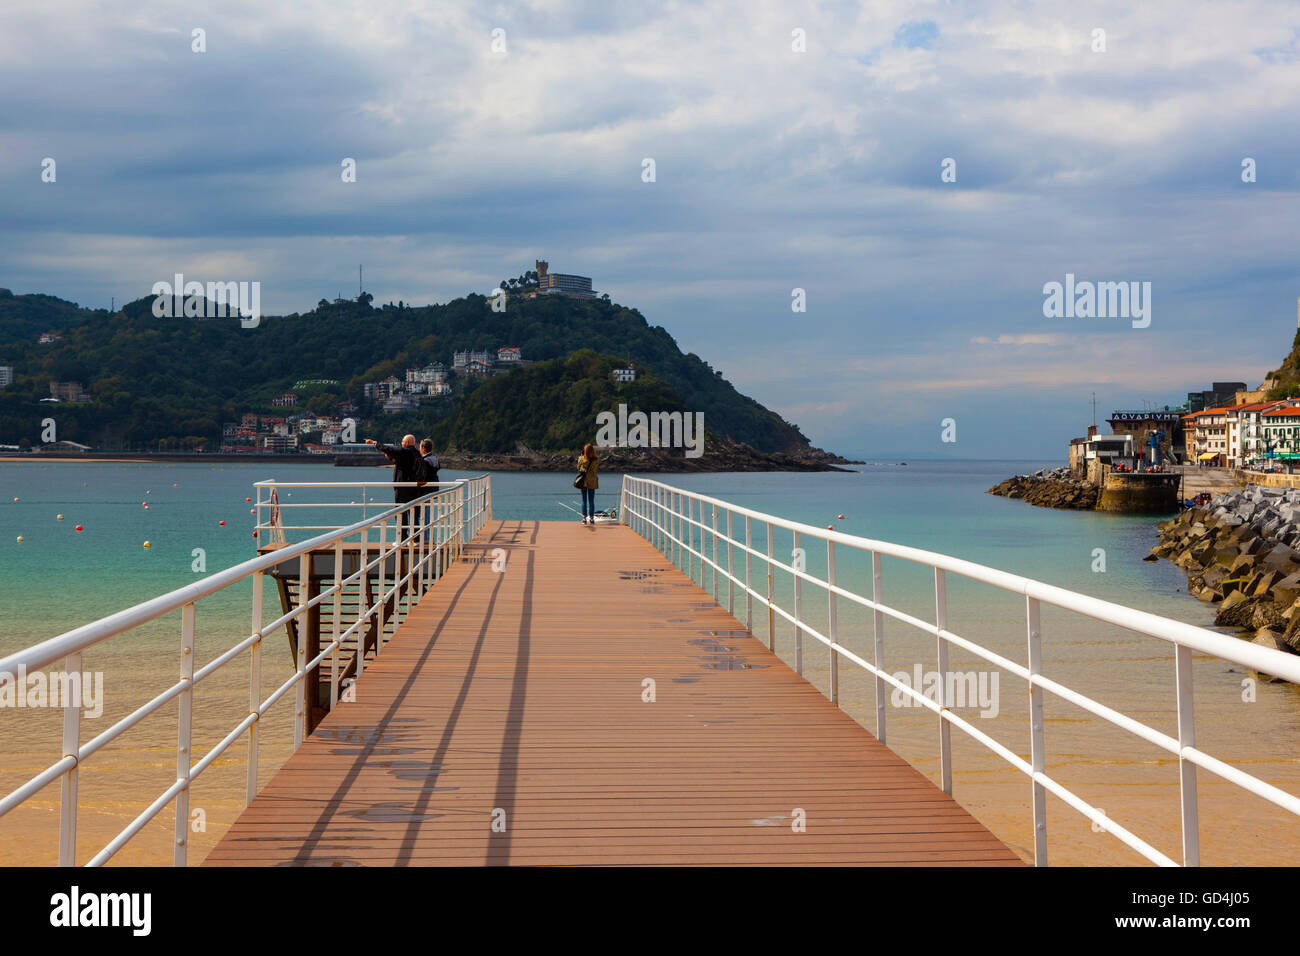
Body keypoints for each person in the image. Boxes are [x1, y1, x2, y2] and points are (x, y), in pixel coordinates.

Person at [364, 434, 423, 544]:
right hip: (415, 487)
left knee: (401, 512)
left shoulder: (405, 451)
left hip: (402, 487)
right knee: (414, 512)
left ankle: (402, 539)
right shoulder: (417, 453)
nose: (401, 443)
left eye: (402, 441)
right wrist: (392, 458)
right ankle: (416, 538)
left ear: (407, 443)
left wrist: (374, 443)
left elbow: (388, 449)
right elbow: (404, 464)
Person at [577, 443, 599, 523]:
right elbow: (595, 470)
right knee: (591, 500)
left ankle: (584, 518)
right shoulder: (596, 459)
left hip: (583, 481)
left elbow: (578, 468)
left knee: (583, 500)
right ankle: (592, 518)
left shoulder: (581, 458)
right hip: (592, 481)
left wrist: (581, 456)